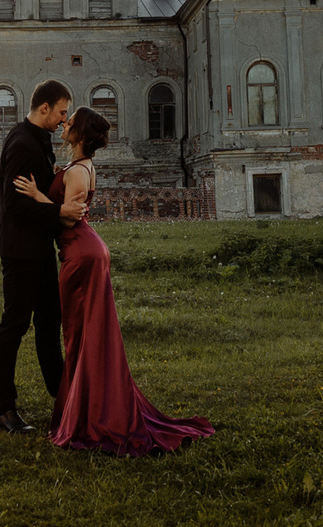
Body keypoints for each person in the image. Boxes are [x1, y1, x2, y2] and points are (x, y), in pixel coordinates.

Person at [14, 106, 214, 457]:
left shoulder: (79, 171)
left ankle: (90, 415)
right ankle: (84, 407)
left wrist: (36, 195)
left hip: (82, 254)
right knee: (82, 334)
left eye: (70, 121)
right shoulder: (77, 166)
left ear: (79, 134)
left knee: (81, 334)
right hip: (83, 252)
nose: (65, 123)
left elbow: (68, 219)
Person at [0, 79, 70, 433]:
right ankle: (4, 408)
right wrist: (58, 211)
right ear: (44, 108)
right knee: (16, 324)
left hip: (37, 247)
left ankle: (64, 396)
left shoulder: (33, 137)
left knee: (50, 321)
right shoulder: (22, 141)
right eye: (62, 112)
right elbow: (12, 203)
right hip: (20, 250)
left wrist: (43, 195)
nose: (64, 120)